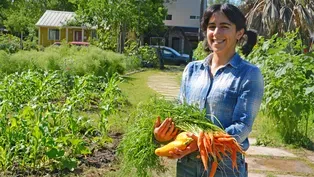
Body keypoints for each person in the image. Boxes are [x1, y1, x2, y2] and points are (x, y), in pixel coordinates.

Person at [153, 3, 264, 177]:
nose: (216, 33)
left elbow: (242, 126)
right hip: (187, 164)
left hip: (224, 166)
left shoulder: (249, 74)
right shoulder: (192, 69)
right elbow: (179, 111)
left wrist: (202, 141)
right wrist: (164, 134)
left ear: (239, 33)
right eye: (212, 27)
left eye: (224, 27)